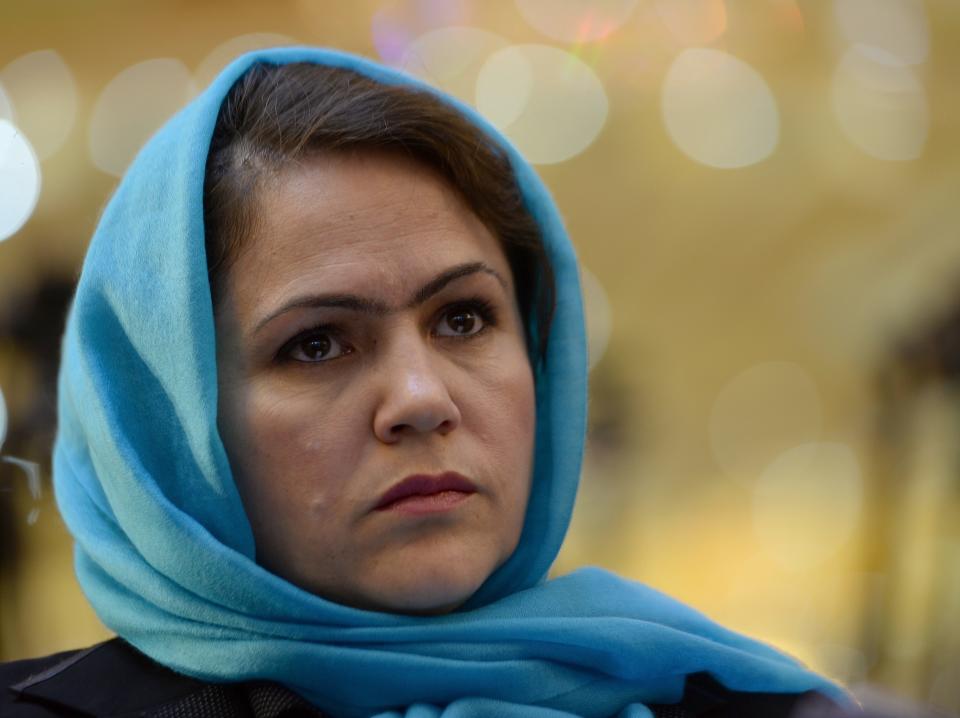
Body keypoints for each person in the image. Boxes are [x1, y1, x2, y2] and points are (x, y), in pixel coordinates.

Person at [1, 46, 849, 717]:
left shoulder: (740, 701)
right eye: (318, 344)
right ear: (172, 426)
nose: (421, 399)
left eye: (463, 319)